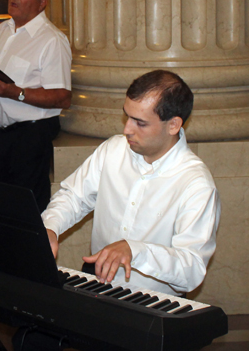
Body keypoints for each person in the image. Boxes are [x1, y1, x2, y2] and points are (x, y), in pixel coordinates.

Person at [16, 70, 221, 350]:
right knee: (31, 338)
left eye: (140, 122)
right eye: (127, 116)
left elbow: (192, 269)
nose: (127, 129)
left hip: (152, 303)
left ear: (173, 124)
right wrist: (50, 227)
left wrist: (135, 250)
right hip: (96, 287)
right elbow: (73, 197)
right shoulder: (113, 150)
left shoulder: (196, 183)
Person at [0, 0, 71, 213]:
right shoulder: (2, 29)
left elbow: (62, 96)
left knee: (25, 211)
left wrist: (17, 93)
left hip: (29, 137)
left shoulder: (52, 39)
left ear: (42, 2)